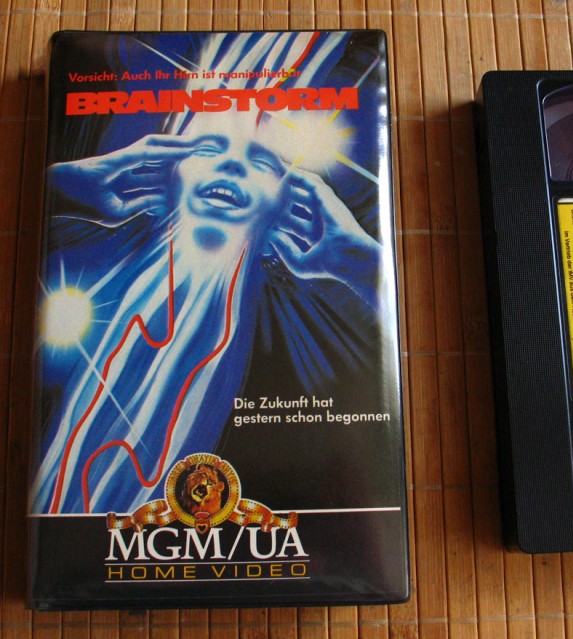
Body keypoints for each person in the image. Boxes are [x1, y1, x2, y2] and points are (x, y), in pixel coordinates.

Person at [32, 117, 384, 515]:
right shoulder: (70, 304)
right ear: (164, 176)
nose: (231, 164)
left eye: (263, 162)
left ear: (290, 205)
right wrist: (61, 185)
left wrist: (359, 261)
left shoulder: (297, 367)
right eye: (207, 149)